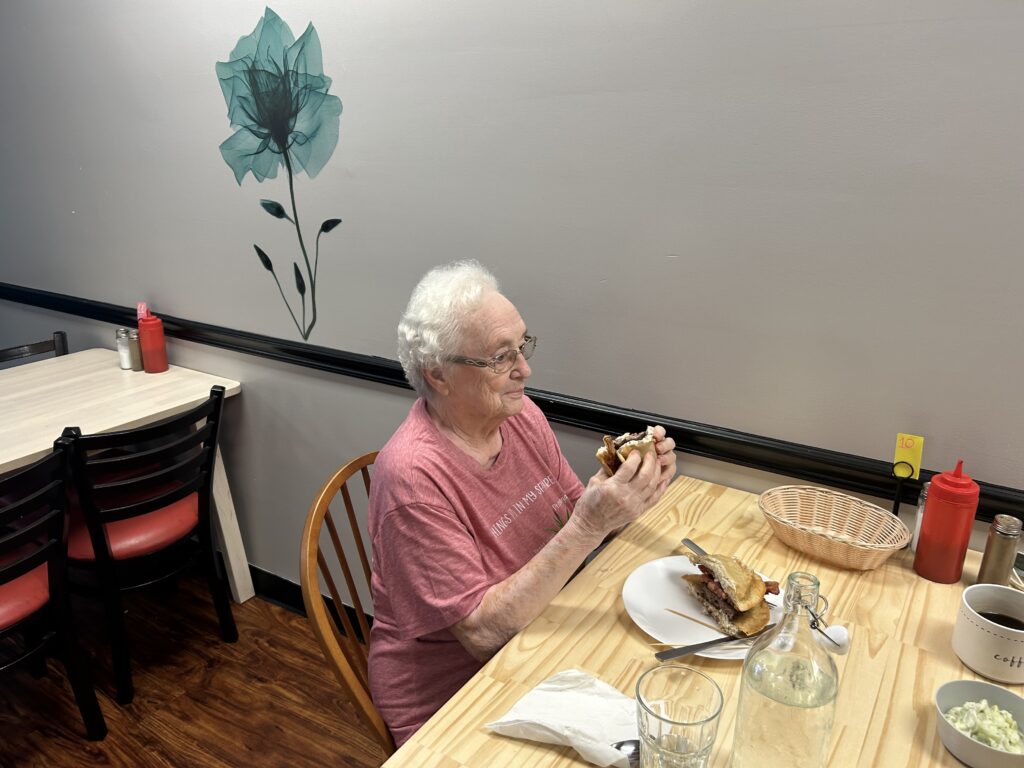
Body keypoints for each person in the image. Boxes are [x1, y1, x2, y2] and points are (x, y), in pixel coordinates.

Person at [366, 260, 677, 746]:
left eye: (523, 345)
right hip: (455, 697)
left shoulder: (518, 414)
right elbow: (482, 635)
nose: (524, 369)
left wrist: (629, 491)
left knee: (673, 702)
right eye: (499, 357)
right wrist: (589, 525)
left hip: (541, 635)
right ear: (439, 375)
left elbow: (574, 511)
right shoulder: (411, 479)